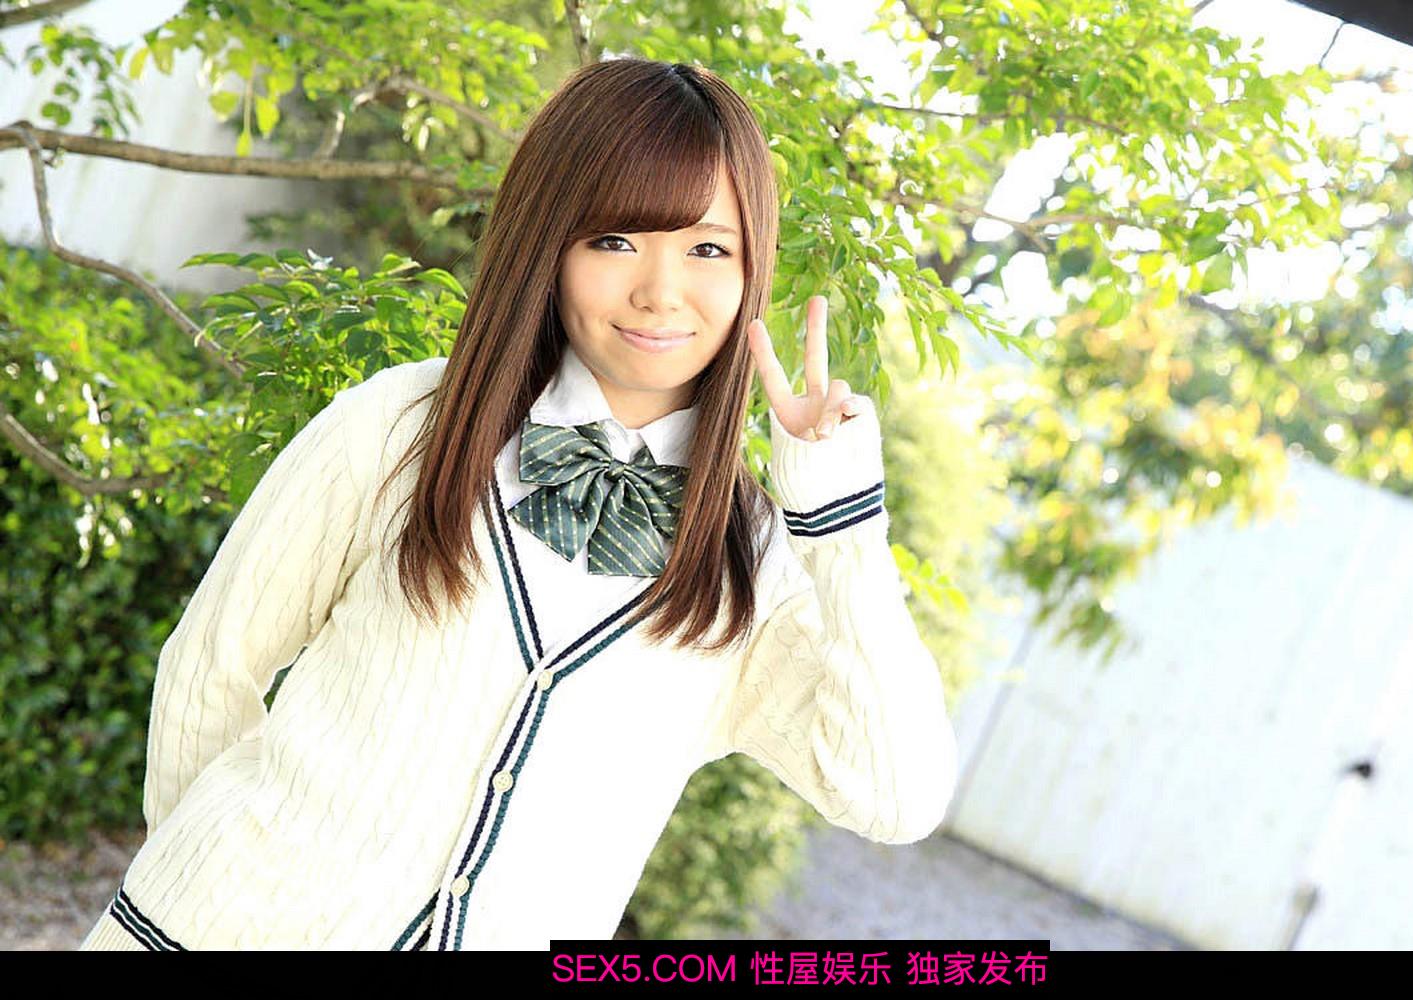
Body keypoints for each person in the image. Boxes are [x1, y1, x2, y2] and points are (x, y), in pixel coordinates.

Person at [79, 57, 957, 951]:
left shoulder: (748, 560)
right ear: (550, 244)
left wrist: (840, 523)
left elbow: (895, 797)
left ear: (750, 270)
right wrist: (195, 903)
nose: (660, 291)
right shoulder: (404, 423)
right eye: (614, 240)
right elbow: (211, 666)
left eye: (707, 249)